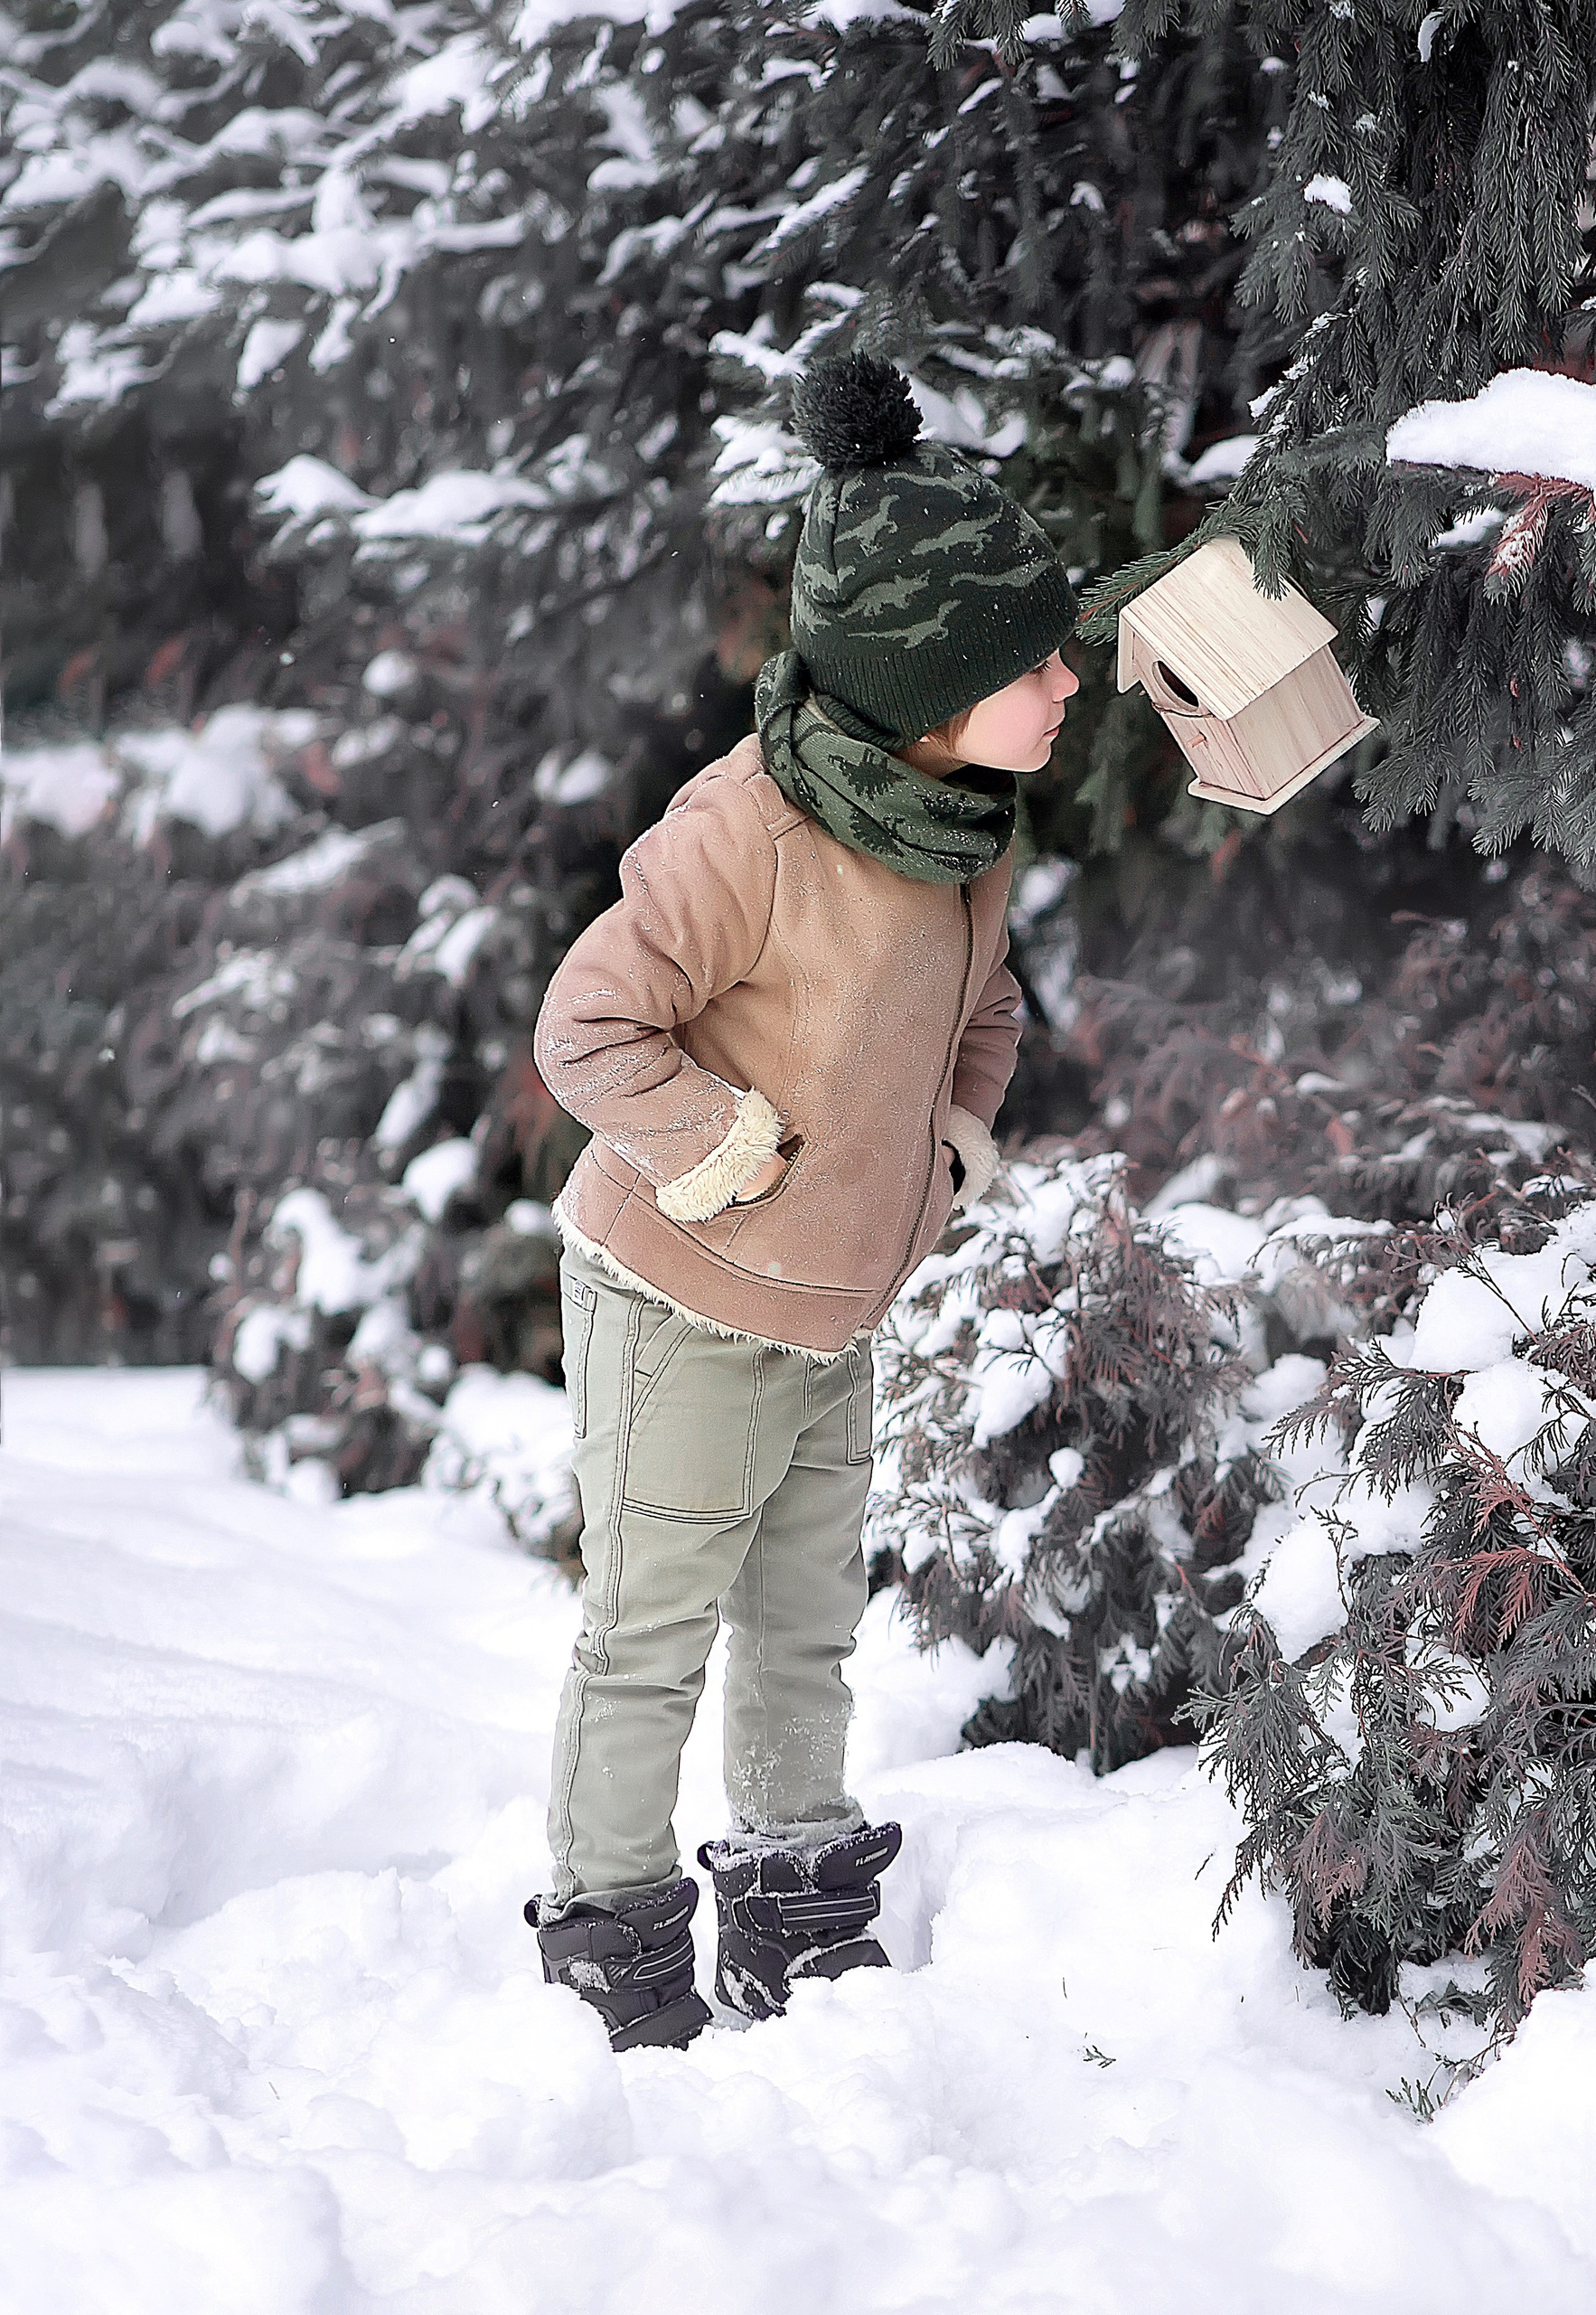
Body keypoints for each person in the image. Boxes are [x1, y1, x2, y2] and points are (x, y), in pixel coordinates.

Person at [522, 352, 1080, 2048]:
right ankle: (612, 1950)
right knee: (651, 1629)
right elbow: (585, 1027)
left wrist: (947, 1158)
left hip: (837, 1308)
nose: (1069, 679)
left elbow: (979, 1018)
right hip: (676, 1298)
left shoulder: (969, 827)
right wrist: (727, 1146)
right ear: (930, 679)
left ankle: (796, 1907)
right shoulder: (743, 836)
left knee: (804, 1625)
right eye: (1029, 659)